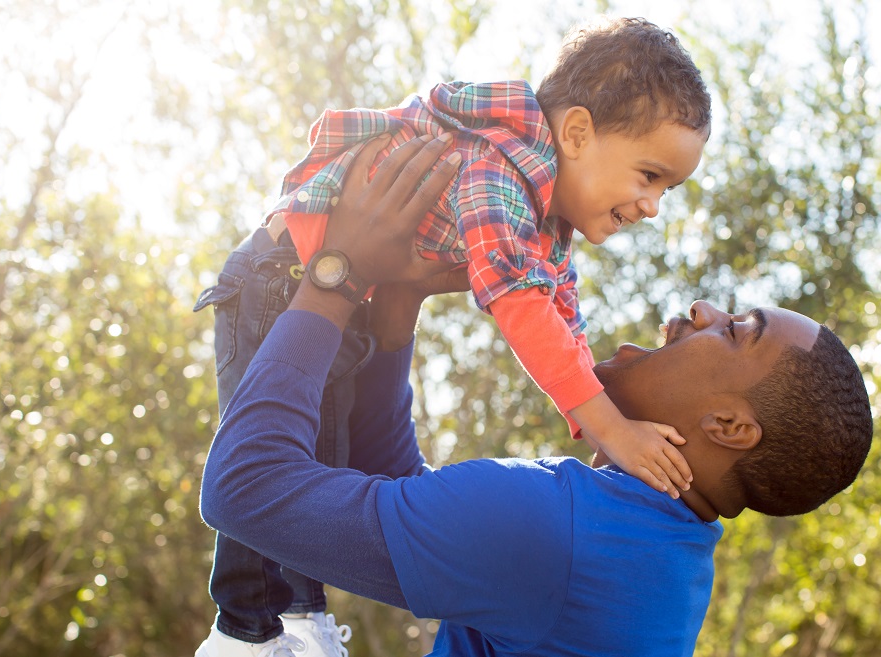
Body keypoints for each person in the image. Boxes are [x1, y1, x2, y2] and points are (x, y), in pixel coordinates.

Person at [199, 136, 874, 656]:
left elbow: (243, 490)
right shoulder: (642, 550)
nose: (701, 309)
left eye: (734, 331)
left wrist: (336, 274)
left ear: (728, 424)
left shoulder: (563, 533)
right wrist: (398, 294)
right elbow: (403, 493)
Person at [194, 16, 712, 654]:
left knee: (319, 450)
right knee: (283, 449)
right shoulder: (498, 173)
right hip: (285, 275)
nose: (653, 205)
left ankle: (290, 618)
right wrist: (609, 426)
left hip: (345, 290)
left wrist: (598, 414)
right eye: (649, 175)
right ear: (577, 132)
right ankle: (256, 627)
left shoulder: (546, 225)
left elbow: (561, 318)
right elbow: (521, 308)